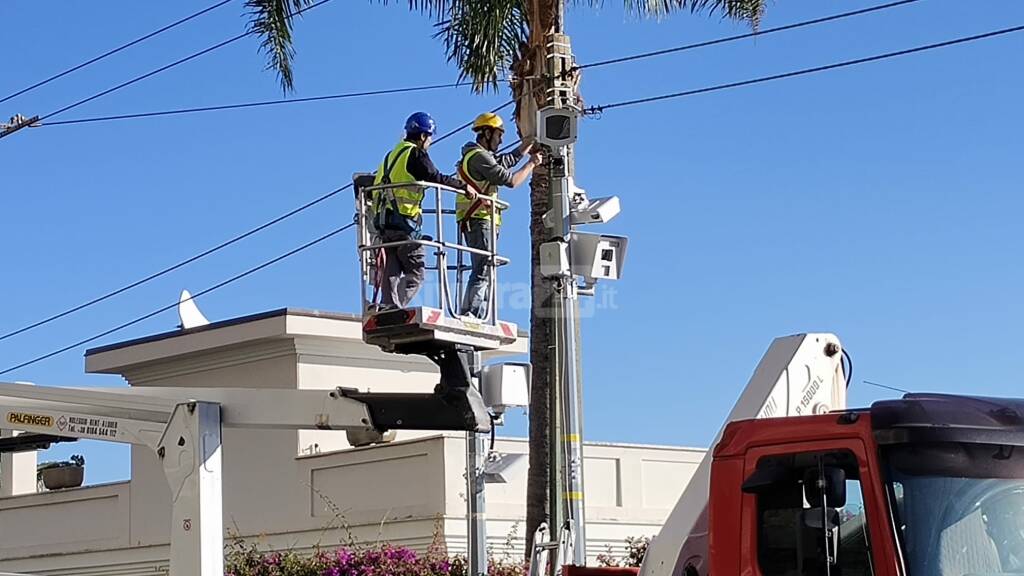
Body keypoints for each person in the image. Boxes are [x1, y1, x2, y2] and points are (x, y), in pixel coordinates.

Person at [372, 112, 465, 311]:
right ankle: (395, 308)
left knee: (392, 269)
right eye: (430, 137)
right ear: (423, 136)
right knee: (416, 273)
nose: (430, 142)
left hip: (383, 222)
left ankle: (387, 305)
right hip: (403, 222)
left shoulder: (390, 156)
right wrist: (463, 186)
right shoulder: (415, 154)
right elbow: (434, 176)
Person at [456, 112, 543, 319]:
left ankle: (475, 312)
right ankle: (471, 313)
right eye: (498, 135)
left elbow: (505, 161)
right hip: (479, 218)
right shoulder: (478, 157)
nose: (501, 139)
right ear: (487, 133)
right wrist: (531, 164)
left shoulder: (479, 155)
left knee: (484, 268)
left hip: (479, 219)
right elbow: (510, 180)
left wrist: (527, 145)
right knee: (483, 268)